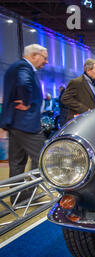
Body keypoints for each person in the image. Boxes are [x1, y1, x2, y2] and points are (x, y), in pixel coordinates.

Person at [0, 44, 48, 183]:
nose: (46, 62)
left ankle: (18, 197)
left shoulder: (16, 66)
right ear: (34, 55)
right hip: (26, 123)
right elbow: (23, 83)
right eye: (44, 58)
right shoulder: (24, 67)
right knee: (42, 158)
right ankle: (29, 193)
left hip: (15, 122)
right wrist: (26, 102)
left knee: (17, 162)